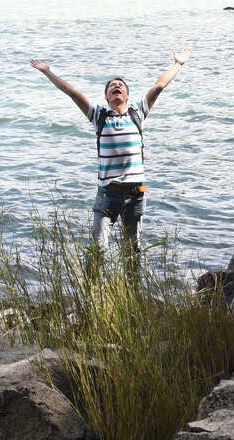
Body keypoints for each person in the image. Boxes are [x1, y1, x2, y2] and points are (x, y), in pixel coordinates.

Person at [30, 48, 190, 278]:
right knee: (99, 249)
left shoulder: (137, 113)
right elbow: (72, 93)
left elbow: (159, 86)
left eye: (121, 85)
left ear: (127, 95)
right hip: (108, 193)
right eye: (112, 86)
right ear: (106, 97)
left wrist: (178, 63)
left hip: (137, 193)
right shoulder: (99, 116)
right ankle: (91, 293)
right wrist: (48, 72)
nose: (117, 86)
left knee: (132, 250)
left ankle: (133, 296)